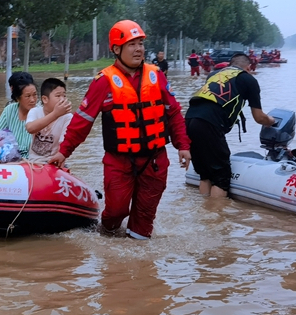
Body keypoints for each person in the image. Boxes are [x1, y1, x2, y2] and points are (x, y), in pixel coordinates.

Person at [49, 20, 191, 240]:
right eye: (132, 44)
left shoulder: (157, 76)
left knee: (144, 220)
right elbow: (83, 121)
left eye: (141, 43)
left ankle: (139, 266)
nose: (139, 49)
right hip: (119, 161)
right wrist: (63, 152)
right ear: (116, 49)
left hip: (154, 161)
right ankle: (107, 238)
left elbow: (173, 113)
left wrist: (183, 145)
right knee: (116, 211)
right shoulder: (103, 81)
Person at [185, 53, 275, 198]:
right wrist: (272, 121)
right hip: (209, 123)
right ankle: (216, 217)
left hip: (189, 119)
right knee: (221, 177)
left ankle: (203, 214)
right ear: (249, 67)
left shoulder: (215, 75)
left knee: (205, 174)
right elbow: (259, 117)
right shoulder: (248, 79)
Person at [26, 78, 73, 164]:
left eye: (64, 96)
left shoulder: (68, 117)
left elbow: (63, 146)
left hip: (54, 162)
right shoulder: (35, 111)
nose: (63, 100)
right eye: (58, 96)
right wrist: (55, 114)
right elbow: (30, 128)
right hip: (33, 162)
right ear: (45, 99)